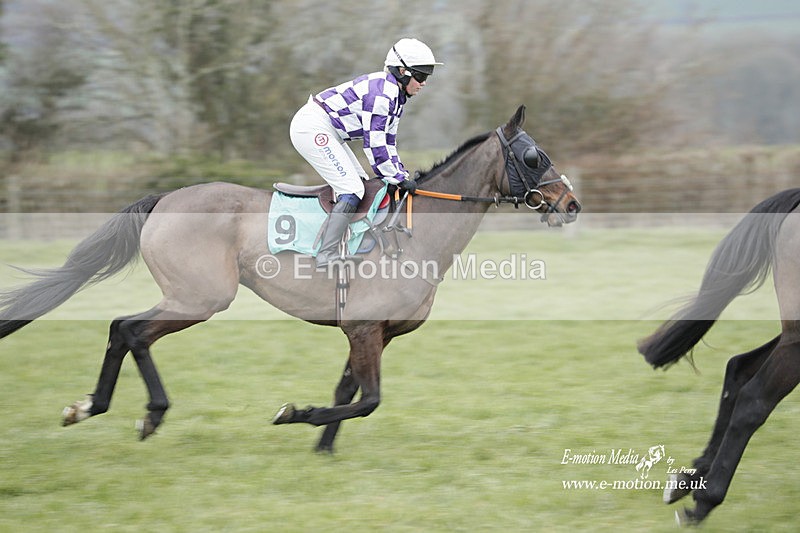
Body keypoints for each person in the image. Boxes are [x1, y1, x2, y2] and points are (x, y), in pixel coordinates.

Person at [289, 38, 442, 269]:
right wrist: (397, 179)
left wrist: (401, 175)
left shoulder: (396, 96)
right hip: (312, 127)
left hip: (330, 130)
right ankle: (326, 254)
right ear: (402, 72)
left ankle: (344, 243)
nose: (424, 83)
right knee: (352, 189)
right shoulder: (382, 95)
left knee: (361, 186)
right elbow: (375, 147)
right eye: (420, 77)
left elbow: (390, 143)